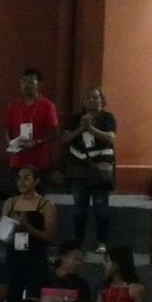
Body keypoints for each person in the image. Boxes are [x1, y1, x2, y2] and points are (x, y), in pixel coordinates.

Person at [61, 86, 117, 250]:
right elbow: (65, 139)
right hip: (79, 169)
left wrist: (91, 129)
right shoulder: (75, 119)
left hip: (101, 169)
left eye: (96, 97)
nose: (92, 100)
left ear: (102, 100)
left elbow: (110, 138)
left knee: (101, 207)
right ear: (83, 101)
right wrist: (81, 128)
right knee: (79, 208)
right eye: (89, 97)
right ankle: (78, 241)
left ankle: (102, 241)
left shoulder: (107, 118)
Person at [0, 165, 57, 302]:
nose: (21, 182)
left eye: (27, 178)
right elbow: (3, 235)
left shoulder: (46, 204)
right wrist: (12, 229)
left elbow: (49, 236)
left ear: (36, 181)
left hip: (35, 258)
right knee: (12, 299)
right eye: (19, 178)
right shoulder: (10, 202)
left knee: (34, 298)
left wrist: (28, 228)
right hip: (14, 257)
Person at [3, 67, 59, 179]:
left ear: (39, 84)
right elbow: (7, 129)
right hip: (18, 160)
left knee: (37, 195)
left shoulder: (47, 106)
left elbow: (54, 132)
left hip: (38, 161)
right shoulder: (14, 105)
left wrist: (37, 141)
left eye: (31, 82)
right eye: (23, 81)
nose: (26, 85)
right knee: (17, 193)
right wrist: (11, 142)